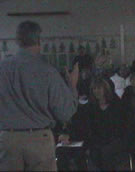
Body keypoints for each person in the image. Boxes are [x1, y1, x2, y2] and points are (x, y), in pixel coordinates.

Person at [0, 21, 79, 171]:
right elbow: (65, 113)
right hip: (38, 139)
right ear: (39, 40)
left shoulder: (2, 68)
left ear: (17, 41)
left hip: (7, 139)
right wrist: (72, 86)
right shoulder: (47, 71)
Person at [86, 77, 125, 171]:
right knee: (94, 153)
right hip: (97, 141)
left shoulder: (116, 105)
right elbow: (89, 127)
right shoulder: (91, 107)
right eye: (94, 89)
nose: (96, 91)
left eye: (99, 88)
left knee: (107, 152)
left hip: (114, 139)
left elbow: (121, 126)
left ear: (105, 89)